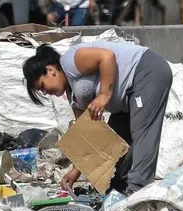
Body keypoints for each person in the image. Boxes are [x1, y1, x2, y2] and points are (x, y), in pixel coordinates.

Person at [23, 41, 174, 195]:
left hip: (145, 72)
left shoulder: (70, 61)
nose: (45, 92)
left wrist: (104, 95)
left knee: (142, 133)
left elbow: (107, 56)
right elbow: (87, 133)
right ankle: (117, 191)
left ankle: (139, 191)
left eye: (42, 86)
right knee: (113, 146)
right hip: (125, 99)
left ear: (50, 70)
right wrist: (76, 171)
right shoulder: (73, 95)